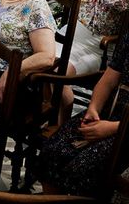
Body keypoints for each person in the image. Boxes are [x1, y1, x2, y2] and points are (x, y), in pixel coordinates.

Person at [37, 30, 129, 197]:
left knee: (83, 167)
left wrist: (114, 128)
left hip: (123, 127)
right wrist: (93, 109)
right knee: (52, 151)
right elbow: (108, 79)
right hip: (112, 111)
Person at [59, 0, 129, 118]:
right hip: (71, 33)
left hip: (96, 48)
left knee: (54, 70)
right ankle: (44, 113)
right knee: (36, 59)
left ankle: (60, 117)